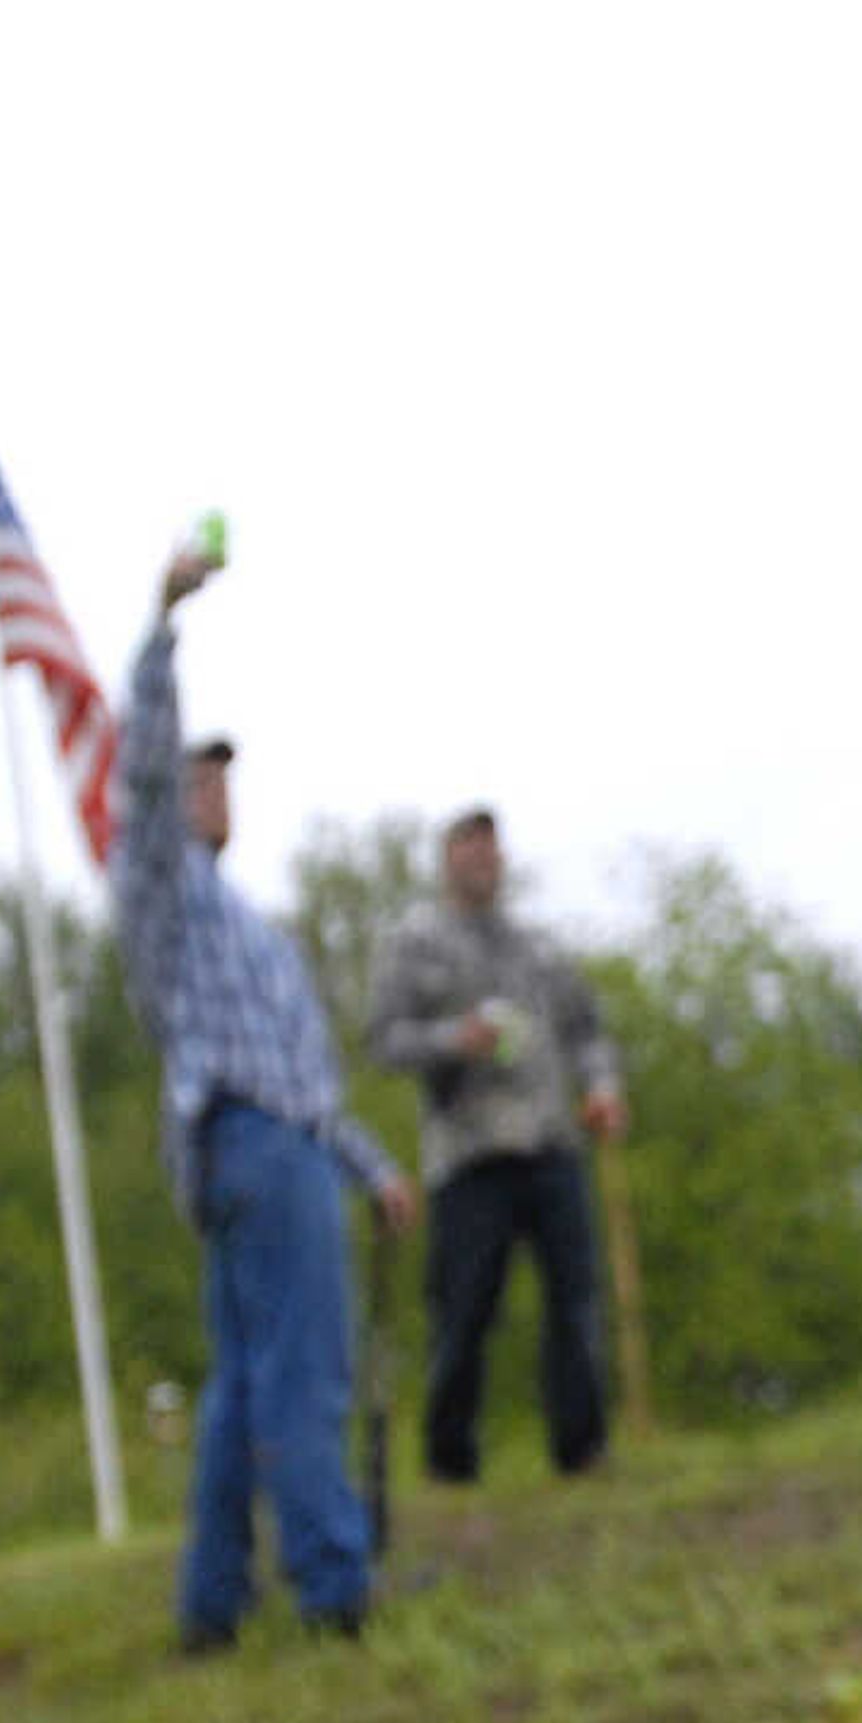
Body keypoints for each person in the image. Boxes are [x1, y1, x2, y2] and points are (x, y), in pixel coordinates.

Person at [107, 535, 417, 1650]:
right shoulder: (161, 893)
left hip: (280, 1146)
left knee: (244, 1385)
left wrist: (373, 1169)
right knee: (304, 1372)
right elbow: (136, 777)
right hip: (249, 1150)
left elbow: (311, 1084)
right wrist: (162, 620)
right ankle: (336, 1585)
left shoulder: (255, 931)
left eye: (223, 774)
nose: (213, 789)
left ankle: (213, 1605)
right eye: (199, 775)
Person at [365, 809, 628, 1484]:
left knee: (576, 1299)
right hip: (468, 1152)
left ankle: (583, 1447)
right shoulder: (415, 943)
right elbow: (385, 1040)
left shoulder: (535, 944)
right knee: (465, 1309)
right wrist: (455, 1038)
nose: (484, 855)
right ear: (446, 857)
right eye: (469, 843)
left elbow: (587, 1028)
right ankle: (450, 1460)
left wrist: (601, 1085)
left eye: (491, 843)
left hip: (550, 1140)